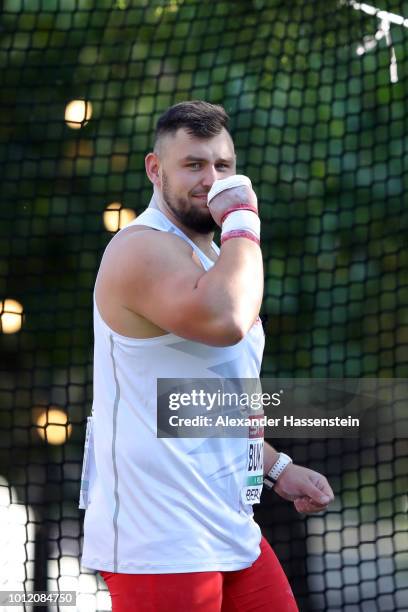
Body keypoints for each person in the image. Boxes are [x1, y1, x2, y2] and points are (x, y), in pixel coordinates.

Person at [79, 100, 334, 611]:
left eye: (223, 166)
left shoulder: (216, 259)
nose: (210, 179)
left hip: (226, 521)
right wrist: (243, 217)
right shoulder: (139, 248)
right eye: (193, 164)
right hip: (158, 533)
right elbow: (226, 320)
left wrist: (278, 467)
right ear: (156, 170)